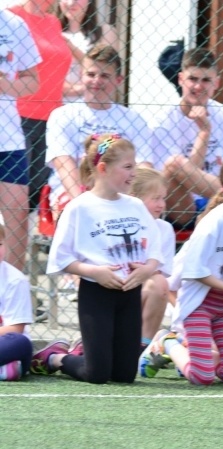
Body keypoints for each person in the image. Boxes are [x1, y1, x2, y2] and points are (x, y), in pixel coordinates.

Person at [32, 134, 163, 383]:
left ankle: (92, 351)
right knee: (97, 374)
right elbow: (61, 259)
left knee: (125, 375)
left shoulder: (135, 206)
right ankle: (55, 358)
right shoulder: (79, 208)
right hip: (97, 295)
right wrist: (94, 272)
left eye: (134, 165)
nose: (134, 172)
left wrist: (147, 270)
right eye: (127, 167)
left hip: (130, 294)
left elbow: (157, 252)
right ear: (102, 168)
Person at [145, 154, 223, 386]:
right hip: (200, 305)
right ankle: (168, 343)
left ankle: (202, 356)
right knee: (202, 377)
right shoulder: (216, 221)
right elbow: (194, 271)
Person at [46, 45, 153, 220]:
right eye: (91, 74)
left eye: (105, 76)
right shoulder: (62, 115)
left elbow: (143, 167)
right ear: (82, 75)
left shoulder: (134, 119)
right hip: (75, 192)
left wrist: (131, 199)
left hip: (122, 192)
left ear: (118, 80)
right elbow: (65, 166)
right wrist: (84, 204)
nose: (96, 81)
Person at [151, 48, 223, 230]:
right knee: (174, 164)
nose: (198, 86)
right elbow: (178, 181)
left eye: (206, 80)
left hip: (221, 201)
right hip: (182, 205)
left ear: (217, 83)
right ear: (181, 79)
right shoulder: (163, 121)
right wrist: (204, 132)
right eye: (192, 79)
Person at [8, 0, 72, 209]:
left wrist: (79, 86)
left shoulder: (53, 22)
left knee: (37, 188)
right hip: (19, 116)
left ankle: (25, 241)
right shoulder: (11, 17)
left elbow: (58, 63)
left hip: (52, 117)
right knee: (14, 189)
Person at [0, 8, 40, 272]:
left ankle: (9, 295)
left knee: (17, 216)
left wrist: (4, 84)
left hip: (8, 138)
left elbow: (32, 81)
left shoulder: (14, 24)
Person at [130, 168, 174, 351]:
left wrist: (143, 270)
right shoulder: (118, 224)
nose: (162, 204)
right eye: (155, 198)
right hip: (116, 286)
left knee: (159, 283)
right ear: (135, 199)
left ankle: (143, 345)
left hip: (142, 288)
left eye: (163, 198)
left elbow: (159, 273)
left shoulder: (164, 229)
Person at [56, 0, 119, 103]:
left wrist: (72, 48)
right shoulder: (51, 31)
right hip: (57, 104)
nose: (71, 3)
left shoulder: (105, 32)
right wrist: (79, 89)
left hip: (94, 104)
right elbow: (45, 78)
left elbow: (106, 68)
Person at [0, 220, 34, 381]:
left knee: (20, 342)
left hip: (6, 343)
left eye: (0, 244)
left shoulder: (15, 280)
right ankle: (5, 370)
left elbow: (15, 329)